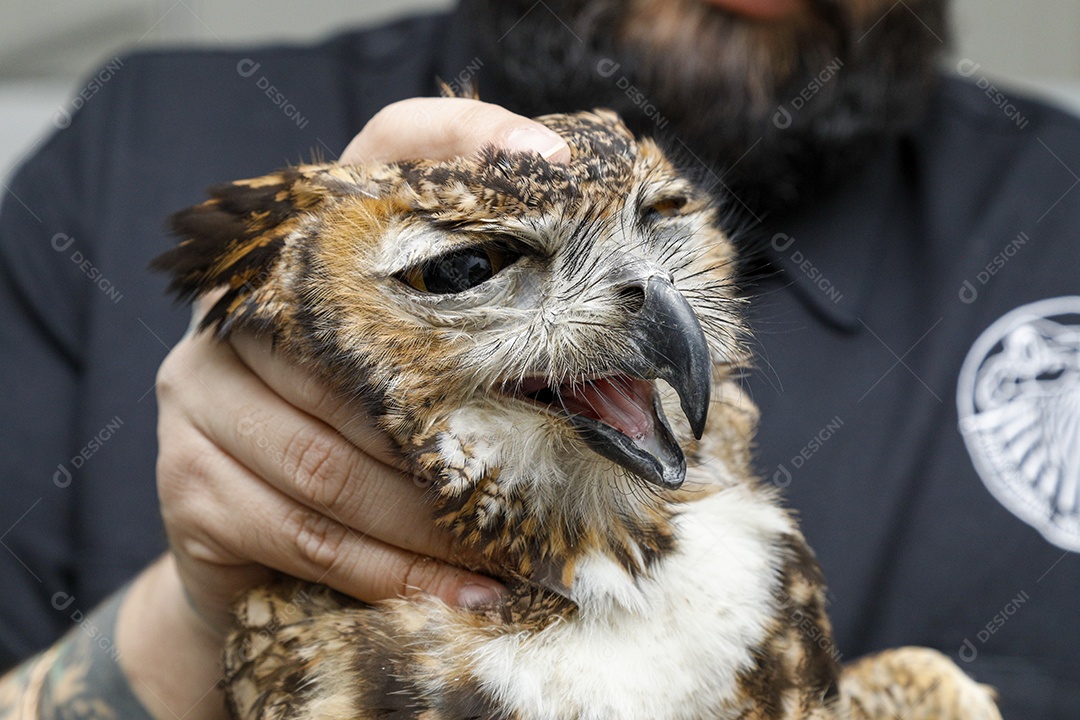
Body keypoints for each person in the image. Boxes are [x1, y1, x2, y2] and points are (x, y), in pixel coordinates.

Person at [0, 0, 1077, 717]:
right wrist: (200, 612)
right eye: (464, 273)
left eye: (665, 233)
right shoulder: (140, 140)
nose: (637, 302)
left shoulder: (1055, 207)